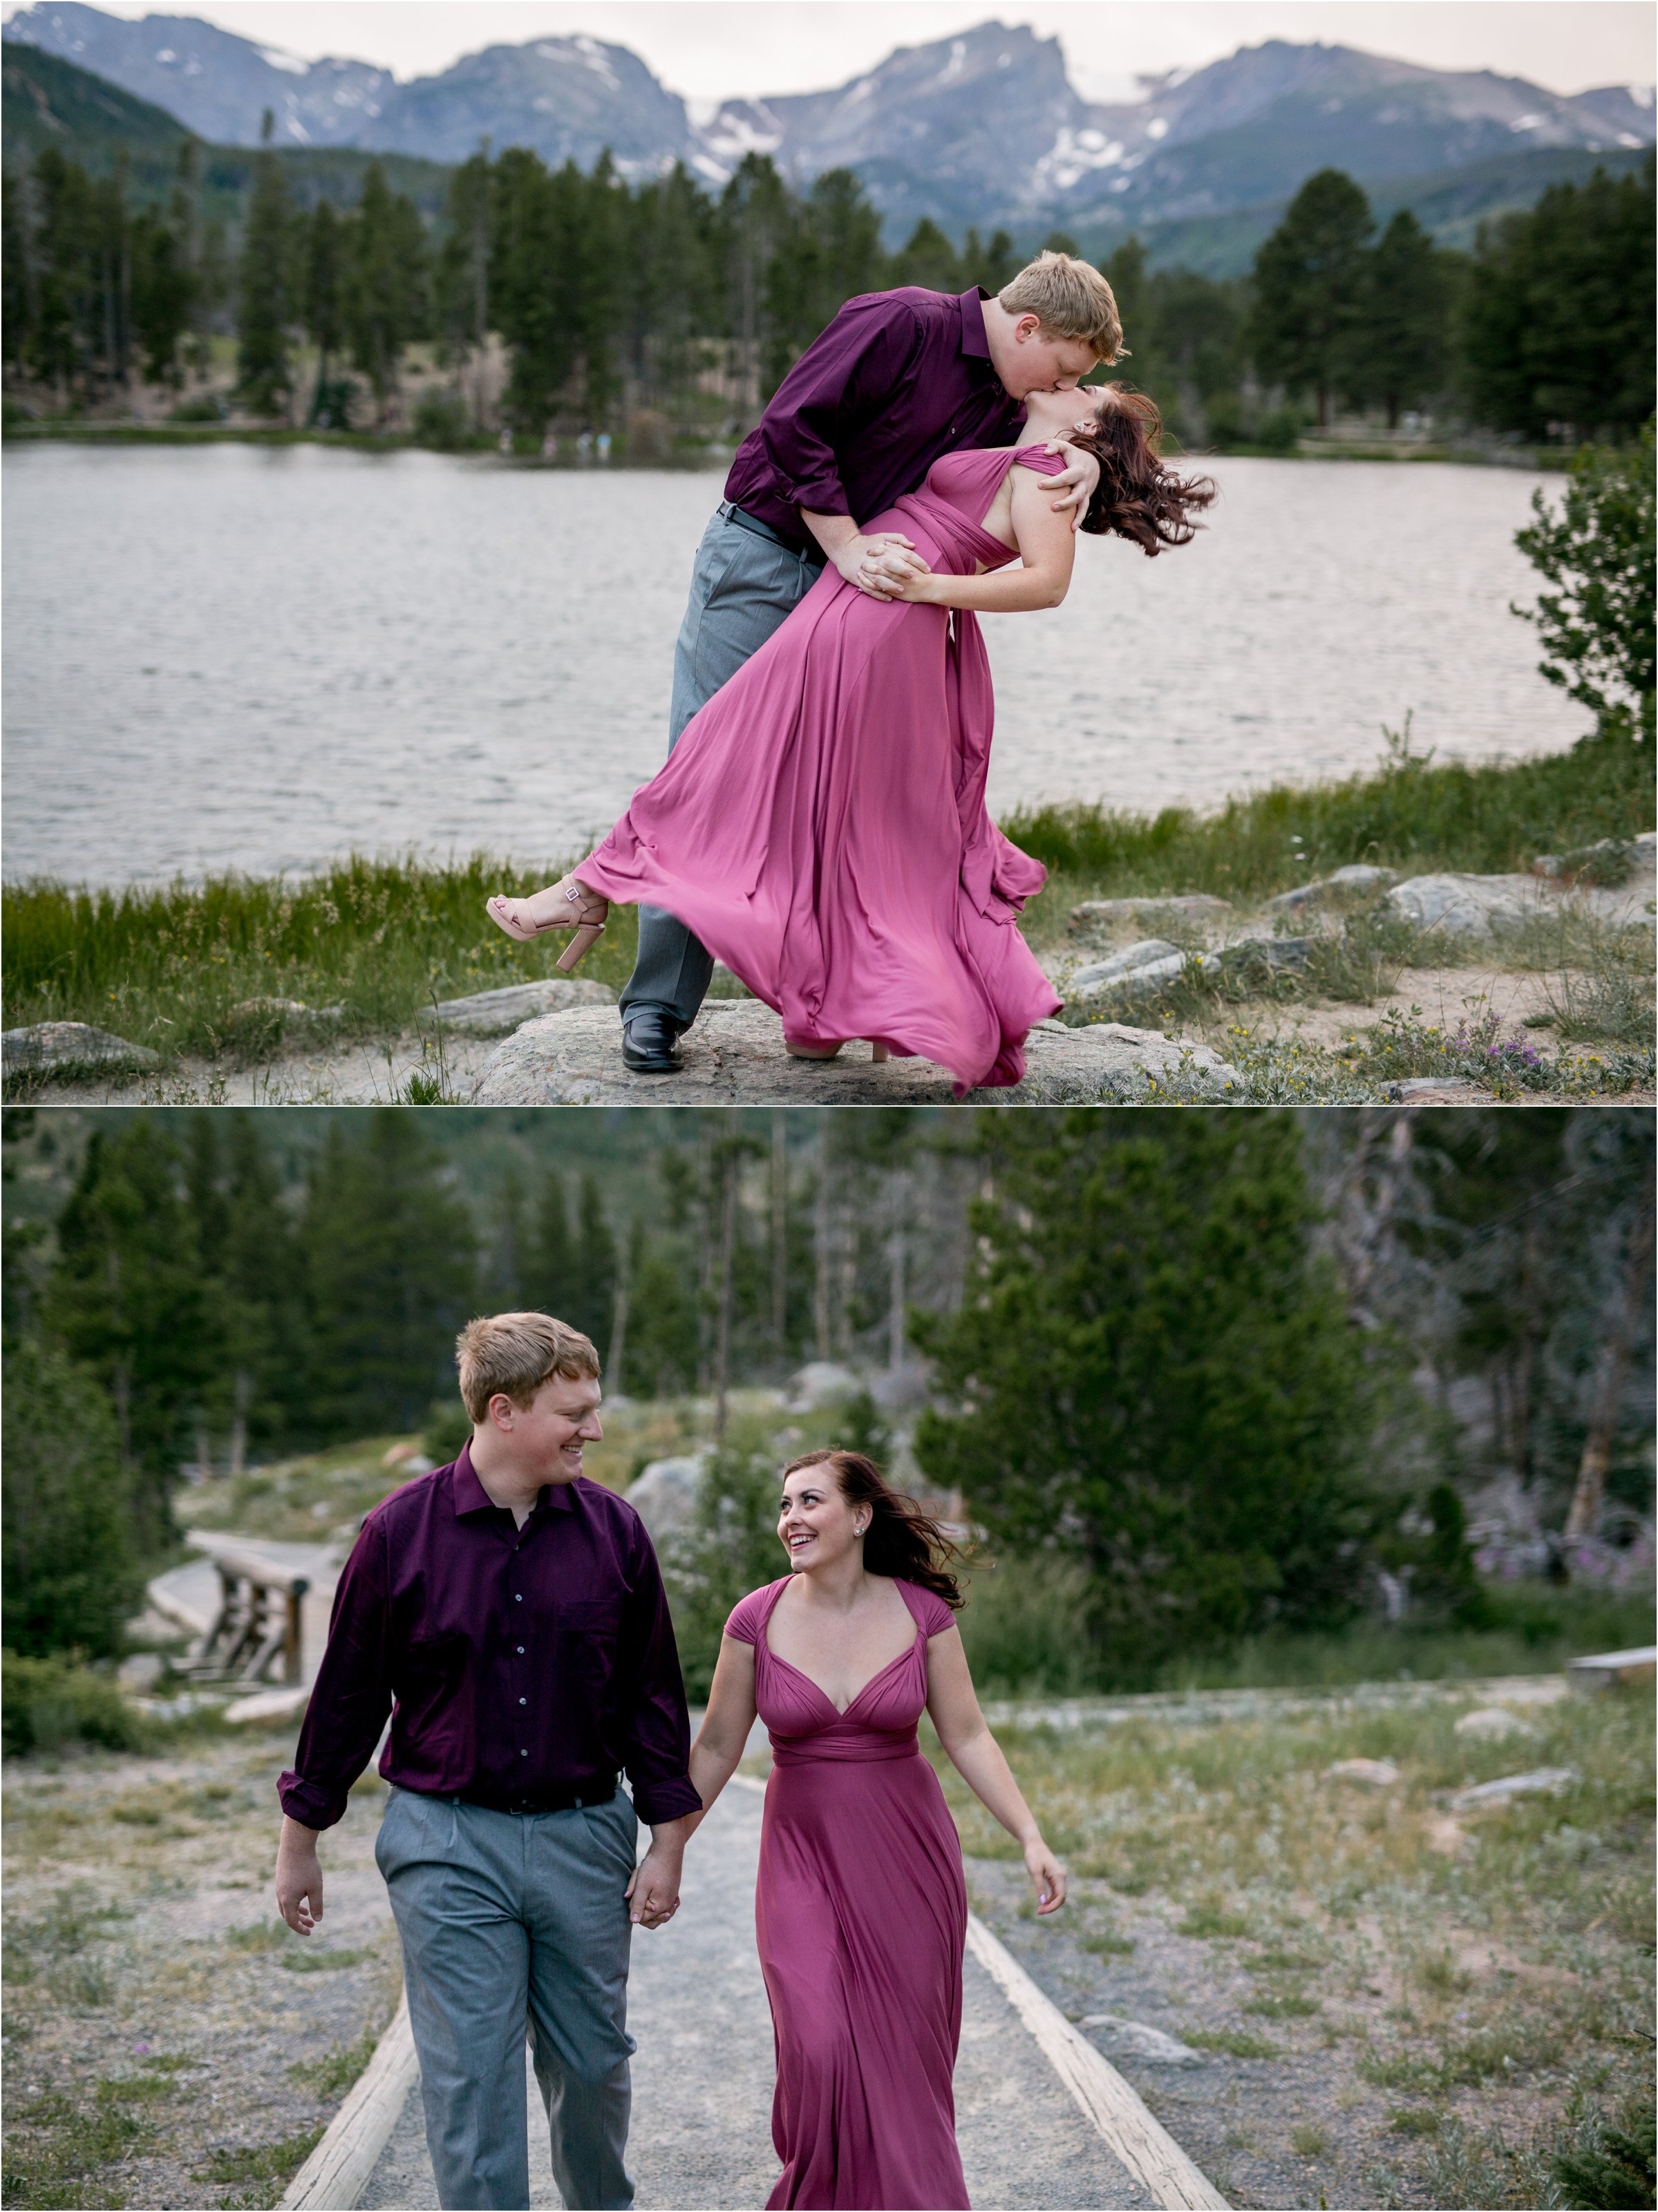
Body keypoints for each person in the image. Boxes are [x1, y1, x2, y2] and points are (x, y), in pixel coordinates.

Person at [489, 381, 1214, 1094]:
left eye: (1086, 387)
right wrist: (1086, 458)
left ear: (1087, 426)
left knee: (724, 758)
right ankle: (824, 1014)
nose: (1068, 381)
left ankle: (587, 889)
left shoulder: (1049, 471)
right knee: (837, 813)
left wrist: (931, 586)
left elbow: (1046, 582)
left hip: (880, 619)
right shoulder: (1029, 444)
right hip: (859, 608)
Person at [273, 1313, 698, 2212]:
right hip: (445, 1844)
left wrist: (667, 1841)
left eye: (593, 1408)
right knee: (471, 2083)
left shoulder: (614, 1534)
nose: (593, 1429)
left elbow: (650, 1699)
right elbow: (347, 1694)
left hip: (584, 1840)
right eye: (573, 1411)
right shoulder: (397, 1535)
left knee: (591, 2071)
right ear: (502, 1412)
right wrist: (299, 1837)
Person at [681, 1448, 1068, 2211]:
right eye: (784, 1504)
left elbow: (966, 1735)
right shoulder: (752, 1618)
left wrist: (1029, 1834)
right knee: (818, 2044)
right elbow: (719, 1746)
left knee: (903, 2059)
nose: (790, 1517)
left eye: (810, 1500)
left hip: (907, 1855)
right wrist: (665, 1850)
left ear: (859, 1515)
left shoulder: (922, 1612)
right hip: (799, 1853)